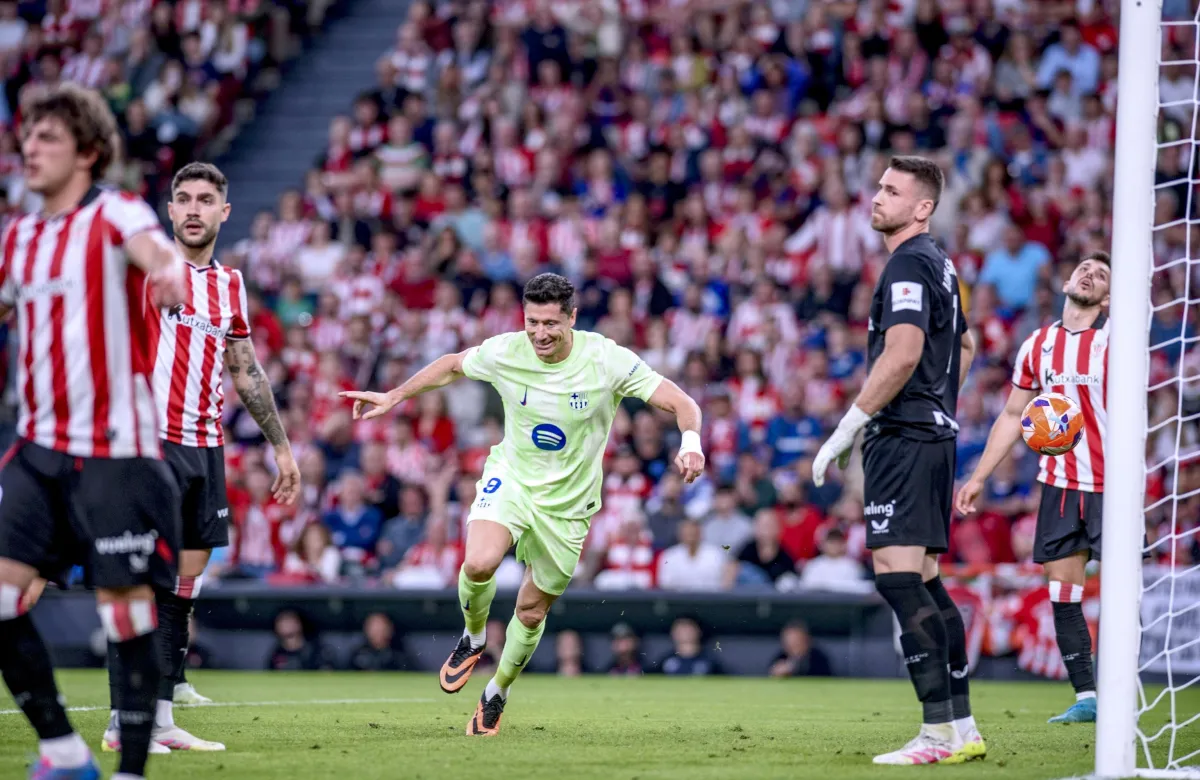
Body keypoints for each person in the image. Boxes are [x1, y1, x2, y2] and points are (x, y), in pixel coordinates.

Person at [341, 272, 705, 736]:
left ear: (572, 318)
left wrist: (690, 440)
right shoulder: (507, 350)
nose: (540, 334)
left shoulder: (606, 359)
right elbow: (453, 364)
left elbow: (681, 400)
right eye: (533, 322)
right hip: (511, 480)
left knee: (531, 612)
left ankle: (497, 691)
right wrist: (394, 396)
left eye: (551, 323)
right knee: (478, 563)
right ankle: (473, 638)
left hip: (568, 507)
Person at [0, 83, 187, 780]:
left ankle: (130, 771)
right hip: (38, 448)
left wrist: (168, 276)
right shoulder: (19, 236)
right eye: (27, 136)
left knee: (127, 614)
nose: (30, 148)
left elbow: (157, 254)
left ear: (87, 150)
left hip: (117, 452)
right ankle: (64, 751)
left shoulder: (114, 213)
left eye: (47, 137)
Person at [95, 162, 301, 755]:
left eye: (204, 200)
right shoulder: (141, 269)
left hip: (205, 447)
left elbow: (246, 369)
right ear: (168, 209)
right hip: (147, 442)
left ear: (223, 212)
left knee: (182, 592)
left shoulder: (229, 286)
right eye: (182, 198)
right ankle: (120, 722)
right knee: (140, 583)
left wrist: (281, 447)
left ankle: (160, 720)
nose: (192, 208)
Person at [812, 156, 983, 765]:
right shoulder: (941, 263)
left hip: (904, 437)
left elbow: (905, 351)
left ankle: (935, 735)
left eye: (892, 190)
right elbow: (965, 343)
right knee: (928, 580)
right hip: (933, 435)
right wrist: (941, 405)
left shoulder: (908, 262)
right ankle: (960, 727)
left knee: (896, 577)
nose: (877, 196)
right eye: (880, 186)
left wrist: (849, 425)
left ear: (923, 207)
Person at [956, 251, 1110, 724]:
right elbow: (1011, 415)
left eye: (1101, 275)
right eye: (1084, 267)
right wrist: (979, 477)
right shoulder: (1037, 345)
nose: (1089, 273)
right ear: (1066, 281)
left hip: (1112, 488)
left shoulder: (1116, 343)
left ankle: (1129, 690)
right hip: (1060, 487)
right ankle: (1087, 698)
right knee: (1063, 595)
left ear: (1107, 298)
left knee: (1127, 595)